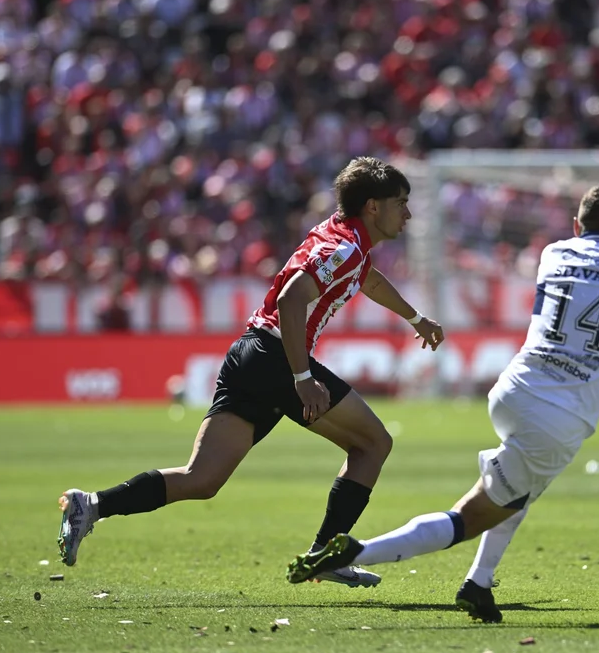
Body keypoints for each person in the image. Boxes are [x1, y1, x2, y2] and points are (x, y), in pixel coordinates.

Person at [285, 185, 599, 622]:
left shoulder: (555, 253)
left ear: (576, 226)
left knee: (518, 492)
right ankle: (354, 552)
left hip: (513, 390)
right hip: (560, 415)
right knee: (468, 518)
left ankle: (479, 584)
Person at [56, 157, 445, 588]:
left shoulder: (346, 240)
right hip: (277, 358)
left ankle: (91, 505)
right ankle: (325, 554)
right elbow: (292, 300)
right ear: (373, 206)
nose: (408, 214)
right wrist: (302, 378)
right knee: (373, 443)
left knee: (201, 479)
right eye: (401, 202)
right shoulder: (346, 249)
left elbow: (368, 280)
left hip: (249, 353)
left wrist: (415, 318)